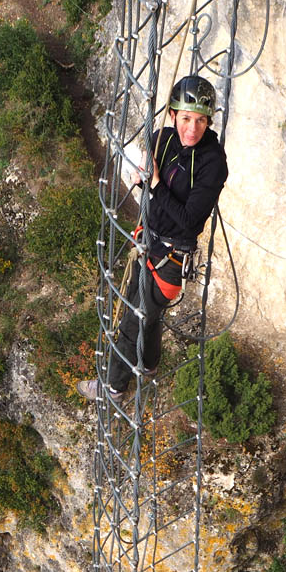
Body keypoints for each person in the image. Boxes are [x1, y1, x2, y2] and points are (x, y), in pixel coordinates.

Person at [77, 74, 228, 402]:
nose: (193, 129)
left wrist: (155, 185)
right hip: (149, 242)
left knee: (133, 321)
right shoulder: (163, 138)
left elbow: (189, 221)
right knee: (146, 312)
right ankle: (148, 364)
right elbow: (153, 179)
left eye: (201, 121)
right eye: (186, 118)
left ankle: (114, 388)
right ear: (173, 115)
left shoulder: (213, 163)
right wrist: (145, 178)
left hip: (172, 257)